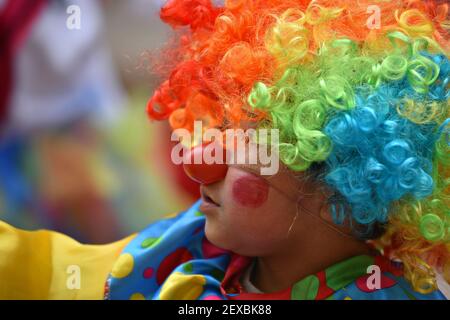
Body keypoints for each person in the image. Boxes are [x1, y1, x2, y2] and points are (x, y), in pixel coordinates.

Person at [0, 0, 449, 300]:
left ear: (341, 180)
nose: (200, 160)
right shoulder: (184, 247)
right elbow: (54, 271)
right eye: (221, 125)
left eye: (248, 139)